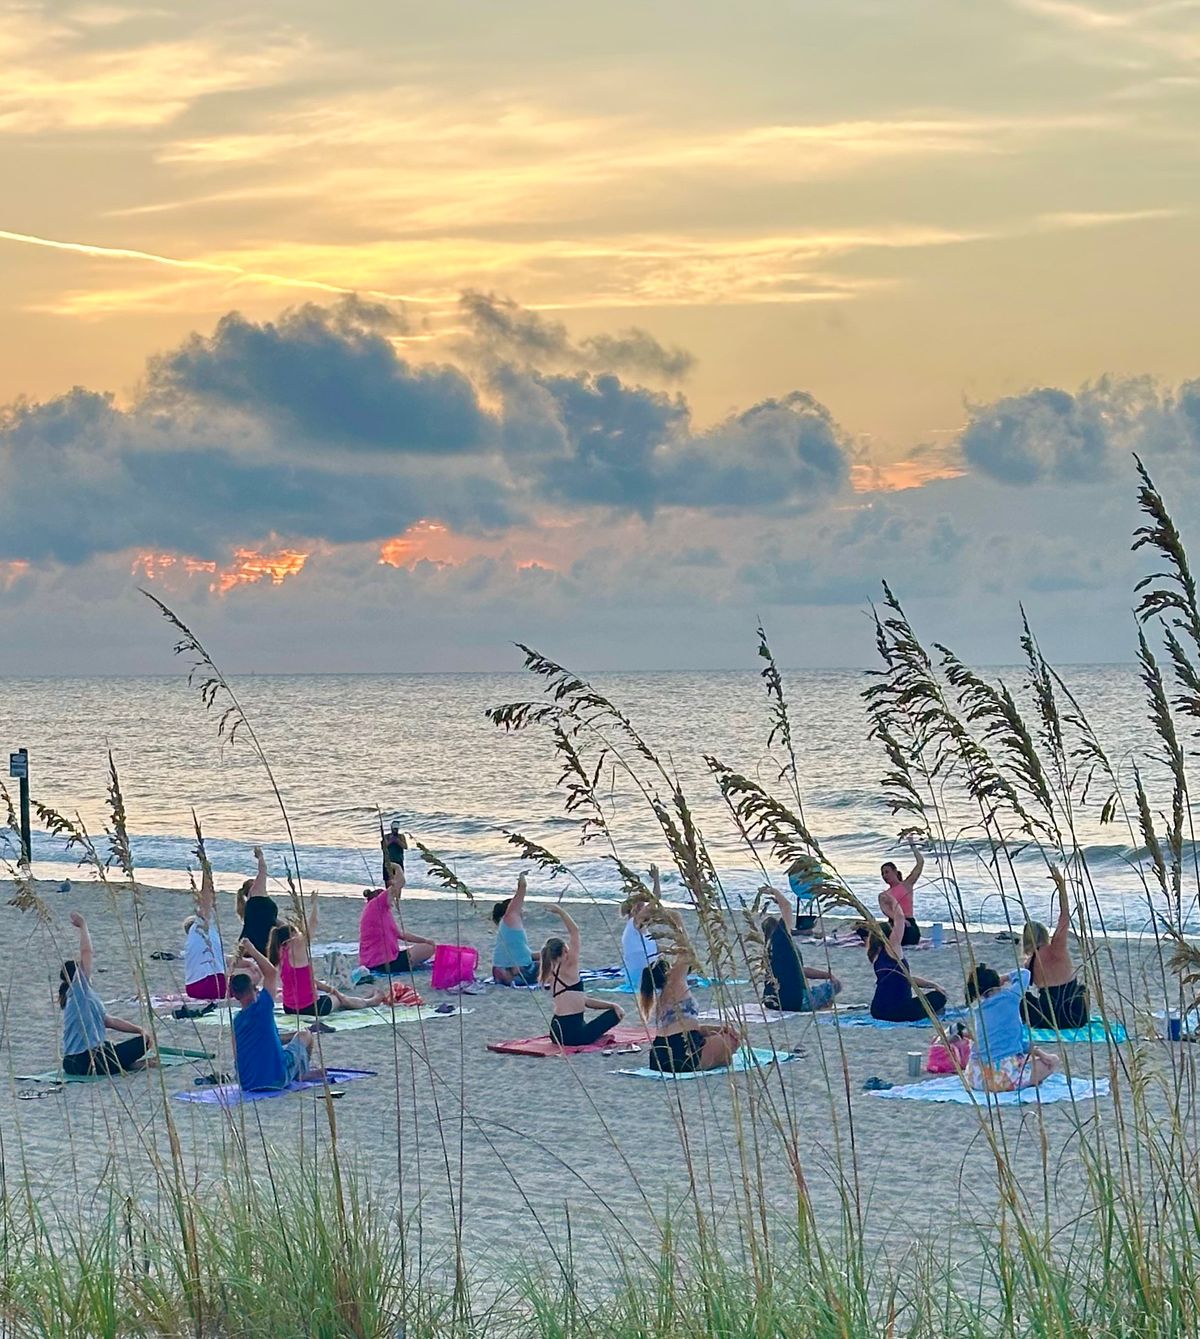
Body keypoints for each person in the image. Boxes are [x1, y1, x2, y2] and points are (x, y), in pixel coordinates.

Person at [59, 912, 154, 1076]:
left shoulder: (84, 997)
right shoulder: (78, 990)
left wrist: (139, 1029)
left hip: (74, 1063)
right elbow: (86, 952)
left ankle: (128, 1065)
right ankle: (126, 1065)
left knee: (130, 1043)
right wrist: (83, 926)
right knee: (142, 1043)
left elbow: (109, 1021)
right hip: (86, 1061)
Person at [269, 890, 384, 1019]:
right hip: (309, 1008)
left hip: (289, 1007)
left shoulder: (280, 954)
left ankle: (363, 1000)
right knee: (340, 999)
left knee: (334, 994)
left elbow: (307, 980)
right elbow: (312, 925)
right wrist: (315, 905)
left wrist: (328, 988)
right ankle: (370, 1002)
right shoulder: (297, 948)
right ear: (292, 937)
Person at [230, 939, 317, 1091]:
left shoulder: (237, 1021)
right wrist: (252, 950)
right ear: (254, 989)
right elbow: (271, 972)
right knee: (305, 1035)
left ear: (235, 996)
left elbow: (239, 1054)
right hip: (275, 1079)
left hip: (247, 1083)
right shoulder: (263, 1006)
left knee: (288, 1041)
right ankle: (303, 1073)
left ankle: (298, 1069)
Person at [965, 962, 1060, 1093]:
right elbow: (1025, 974)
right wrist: (1005, 977)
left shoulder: (978, 1010)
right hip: (1003, 1077)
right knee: (1053, 1060)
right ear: (997, 983)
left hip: (975, 1076)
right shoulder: (1010, 997)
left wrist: (1038, 1052)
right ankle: (1028, 1080)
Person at [640, 956, 741, 1073]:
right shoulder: (675, 984)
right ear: (668, 972)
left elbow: (691, 1028)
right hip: (682, 1051)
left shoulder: (663, 998)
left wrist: (721, 1028)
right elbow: (685, 954)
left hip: (658, 1055)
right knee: (731, 1041)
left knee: (721, 1035)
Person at [541, 906, 625, 1046]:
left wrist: (612, 1004)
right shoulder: (569, 966)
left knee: (612, 1010)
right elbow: (575, 931)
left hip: (555, 1032)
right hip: (573, 1035)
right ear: (564, 951)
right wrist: (561, 911)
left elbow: (583, 1000)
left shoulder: (550, 972)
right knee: (616, 1014)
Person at [759, 885, 841, 1011]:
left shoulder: (768, 951)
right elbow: (787, 906)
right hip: (794, 1002)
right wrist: (775, 892)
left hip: (771, 1001)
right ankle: (825, 1006)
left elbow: (800, 970)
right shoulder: (782, 940)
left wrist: (826, 974)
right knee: (835, 986)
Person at [868, 892, 947, 1022]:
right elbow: (900, 919)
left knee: (933, 994)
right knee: (939, 997)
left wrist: (932, 984)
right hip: (898, 1011)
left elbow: (906, 978)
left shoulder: (874, 954)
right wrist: (893, 900)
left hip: (877, 1010)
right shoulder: (892, 948)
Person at [1021, 880, 1089, 1031]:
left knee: (1023, 999)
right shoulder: (1057, 946)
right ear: (1045, 934)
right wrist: (1062, 887)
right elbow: (1065, 915)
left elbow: (1021, 988)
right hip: (1075, 1016)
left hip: (1049, 1018)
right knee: (1082, 989)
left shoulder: (1029, 964)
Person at [359, 864, 436, 977]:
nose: (393, 900)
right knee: (429, 949)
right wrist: (397, 867)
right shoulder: (376, 904)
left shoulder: (382, 914)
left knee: (427, 945)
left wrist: (425, 940)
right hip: (383, 962)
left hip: (382, 960)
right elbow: (400, 882)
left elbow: (401, 934)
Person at [183, 864, 227, 1001]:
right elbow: (205, 900)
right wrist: (206, 874)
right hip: (210, 984)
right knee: (250, 977)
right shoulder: (200, 928)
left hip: (193, 987)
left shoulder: (196, 940)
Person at [491, 872, 539, 985]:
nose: (522, 910)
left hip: (500, 973)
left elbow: (525, 955)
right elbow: (522, 887)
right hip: (517, 974)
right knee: (555, 964)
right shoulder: (511, 917)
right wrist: (522, 876)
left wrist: (545, 954)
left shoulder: (507, 928)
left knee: (550, 955)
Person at [619, 864, 661, 992]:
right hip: (643, 978)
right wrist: (656, 879)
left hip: (646, 974)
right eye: (643, 907)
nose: (646, 909)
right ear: (635, 910)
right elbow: (656, 900)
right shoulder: (634, 923)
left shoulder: (640, 928)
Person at [880, 838, 924, 946]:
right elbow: (886, 911)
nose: (885, 875)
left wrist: (912, 845)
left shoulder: (907, 885)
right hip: (894, 924)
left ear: (895, 871)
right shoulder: (883, 895)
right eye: (882, 873)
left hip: (909, 924)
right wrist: (900, 920)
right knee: (865, 928)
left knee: (910, 935)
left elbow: (920, 863)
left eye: (887, 872)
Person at [237, 846, 279, 956]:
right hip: (260, 942)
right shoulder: (256, 893)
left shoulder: (254, 903)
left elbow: (269, 919)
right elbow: (263, 870)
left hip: (254, 941)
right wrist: (260, 856)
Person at [787, 861, 822, 937]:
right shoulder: (799, 875)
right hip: (807, 890)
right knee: (808, 905)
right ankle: (805, 925)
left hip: (803, 891)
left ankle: (804, 925)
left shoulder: (795, 875)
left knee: (804, 904)